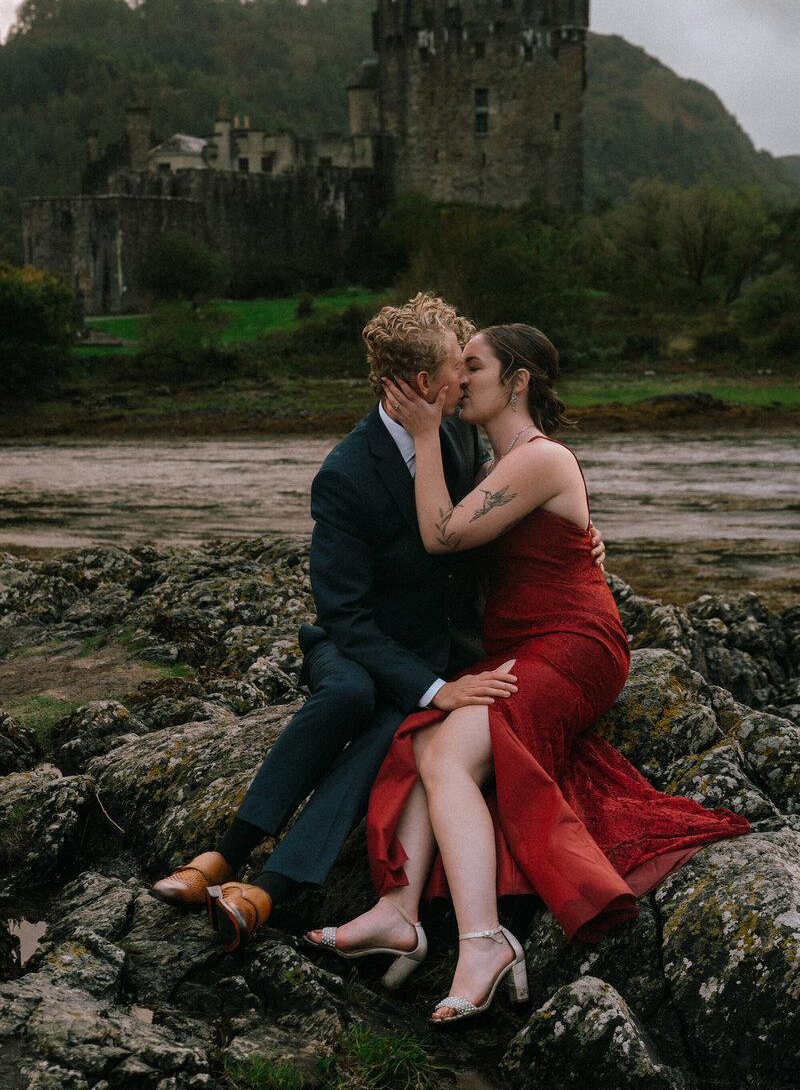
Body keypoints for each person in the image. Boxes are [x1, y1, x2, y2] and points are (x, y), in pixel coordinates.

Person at [307, 324, 749, 1024]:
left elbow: (441, 535)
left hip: (573, 643)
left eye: (473, 366)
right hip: (520, 644)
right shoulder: (496, 465)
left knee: (450, 754)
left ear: (516, 381)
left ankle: (485, 942)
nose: (458, 380)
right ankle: (399, 912)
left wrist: (422, 437)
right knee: (425, 741)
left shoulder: (540, 457)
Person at [150, 295, 605, 951]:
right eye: (459, 365)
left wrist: (580, 539)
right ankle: (226, 855)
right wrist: (430, 688)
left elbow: (504, 511)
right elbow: (344, 615)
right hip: (355, 641)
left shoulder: (457, 433)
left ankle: (267, 889)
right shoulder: (345, 473)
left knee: (393, 723)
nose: (468, 378)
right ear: (426, 383)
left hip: (437, 647)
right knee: (350, 693)